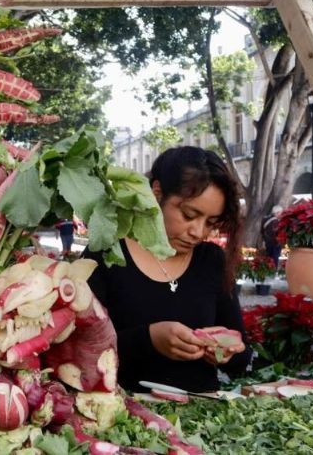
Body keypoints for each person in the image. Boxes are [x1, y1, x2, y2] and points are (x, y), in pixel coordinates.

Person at [85, 146, 251, 393]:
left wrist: (227, 352)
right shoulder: (107, 254)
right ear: (157, 192)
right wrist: (149, 339)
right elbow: (81, 350)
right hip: (123, 413)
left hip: (204, 412)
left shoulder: (212, 261)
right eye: (189, 214)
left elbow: (242, 356)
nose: (198, 232)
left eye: (210, 223)